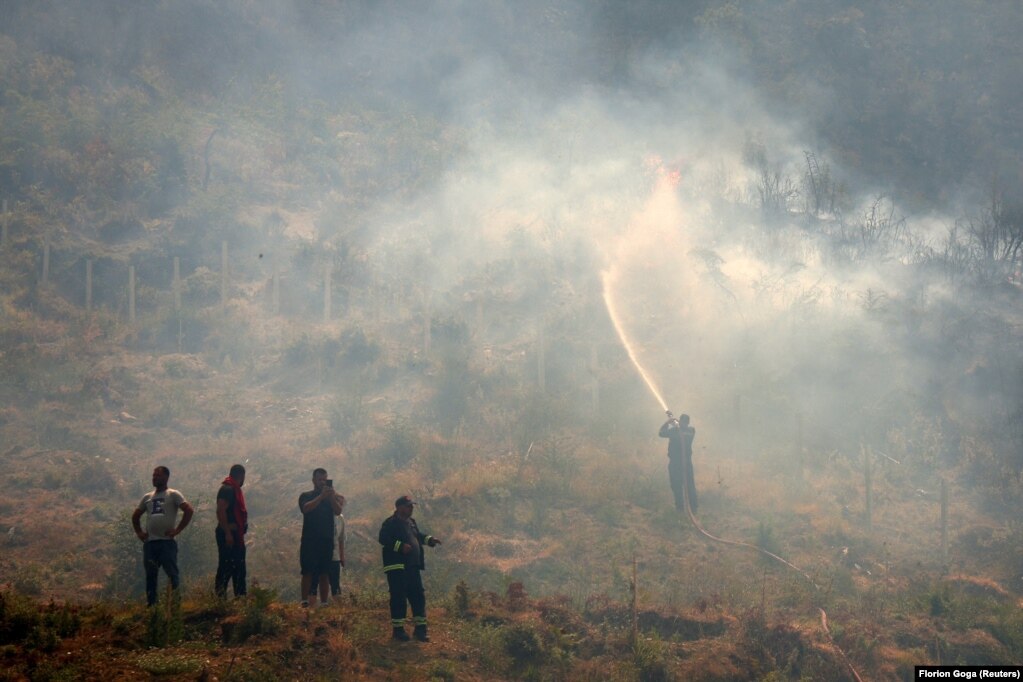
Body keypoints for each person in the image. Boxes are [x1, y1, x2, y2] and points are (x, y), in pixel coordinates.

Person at [378, 495, 442, 642]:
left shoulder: (411, 523)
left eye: (412, 506)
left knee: (418, 596)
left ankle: (420, 630)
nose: (411, 508)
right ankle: (398, 631)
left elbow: (417, 536)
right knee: (399, 597)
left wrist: (430, 539)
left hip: (413, 566)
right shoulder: (390, 523)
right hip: (397, 567)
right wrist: (400, 547)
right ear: (399, 507)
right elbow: (383, 539)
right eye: (408, 506)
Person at [131, 466, 194, 607]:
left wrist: (177, 530)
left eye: (158, 475)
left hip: (166, 543)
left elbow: (188, 510)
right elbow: (135, 516)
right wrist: (140, 533)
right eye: (153, 475)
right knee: (151, 576)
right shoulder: (147, 497)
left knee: (172, 574)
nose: (154, 478)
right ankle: (152, 606)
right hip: (150, 543)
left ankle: (174, 604)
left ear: (166, 477)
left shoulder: (173, 494)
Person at [299, 468, 344, 607]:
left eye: (325, 479)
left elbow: (338, 511)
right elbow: (305, 509)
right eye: (319, 479)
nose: (322, 482)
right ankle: (305, 602)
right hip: (309, 541)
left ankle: (324, 603)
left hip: (327, 541)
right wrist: (320, 497)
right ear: (313, 480)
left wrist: (330, 497)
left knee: (324, 572)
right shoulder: (306, 495)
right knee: (307, 571)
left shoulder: (331, 498)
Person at [215, 463, 248, 598]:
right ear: (242, 476)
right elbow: (220, 510)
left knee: (239, 567)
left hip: (236, 534)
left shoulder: (234, 490)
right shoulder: (227, 489)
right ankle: (220, 598)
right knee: (226, 565)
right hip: (228, 534)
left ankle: (240, 597)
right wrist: (228, 532)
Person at [659, 411, 697, 514]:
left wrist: (668, 422)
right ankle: (694, 509)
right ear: (688, 422)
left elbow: (661, 433)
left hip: (676, 463)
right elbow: (682, 431)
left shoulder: (675, 431)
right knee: (690, 486)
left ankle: (680, 509)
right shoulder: (691, 431)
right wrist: (675, 424)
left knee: (676, 485)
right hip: (687, 462)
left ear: (681, 421)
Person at [328, 496, 346, 602]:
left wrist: (342, 557)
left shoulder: (341, 518)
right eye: (338, 503)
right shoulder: (326, 515)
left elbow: (341, 538)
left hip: (335, 556)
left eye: (342, 504)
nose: (340, 506)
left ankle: (338, 603)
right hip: (324, 554)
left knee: (335, 581)